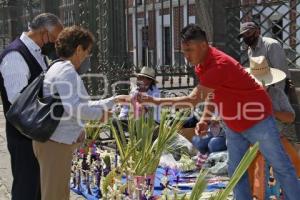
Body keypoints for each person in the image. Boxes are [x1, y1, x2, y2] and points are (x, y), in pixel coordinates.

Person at [138, 24, 300, 200]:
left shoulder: (219, 65)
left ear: (203, 46)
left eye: (189, 50)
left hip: (257, 120)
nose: (186, 56)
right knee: (236, 171)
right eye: (183, 51)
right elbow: (212, 93)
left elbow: (192, 100)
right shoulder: (202, 64)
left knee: (281, 166)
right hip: (233, 123)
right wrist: (205, 120)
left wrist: (153, 101)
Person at [32, 26, 130, 200]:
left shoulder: (59, 68)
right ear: (78, 49)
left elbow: (81, 104)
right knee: (54, 195)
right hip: (55, 144)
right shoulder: (66, 71)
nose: (87, 56)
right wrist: (101, 116)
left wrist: (113, 100)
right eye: (87, 51)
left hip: (55, 142)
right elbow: (75, 108)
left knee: (59, 194)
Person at [0, 13, 63, 200]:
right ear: (44, 33)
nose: (55, 44)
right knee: (26, 189)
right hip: (23, 139)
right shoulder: (15, 55)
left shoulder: (39, 53)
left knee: (38, 189)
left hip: (36, 136)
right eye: (54, 39)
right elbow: (19, 101)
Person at [246, 56, 300, 199]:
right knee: (256, 168)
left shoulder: (277, 94)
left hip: (277, 139)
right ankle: (258, 195)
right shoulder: (246, 96)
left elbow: (291, 117)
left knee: (293, 163)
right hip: (255, 143)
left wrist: (272, 111)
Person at [238, 21, 290, 92]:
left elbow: (281, 71)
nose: (245, 37)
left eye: (248, 33)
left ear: (257, 32)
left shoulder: (271, 45)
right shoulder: (250, 49)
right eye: (243, 36)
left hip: (278, 86)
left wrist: (278, 93)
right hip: (264, 86)